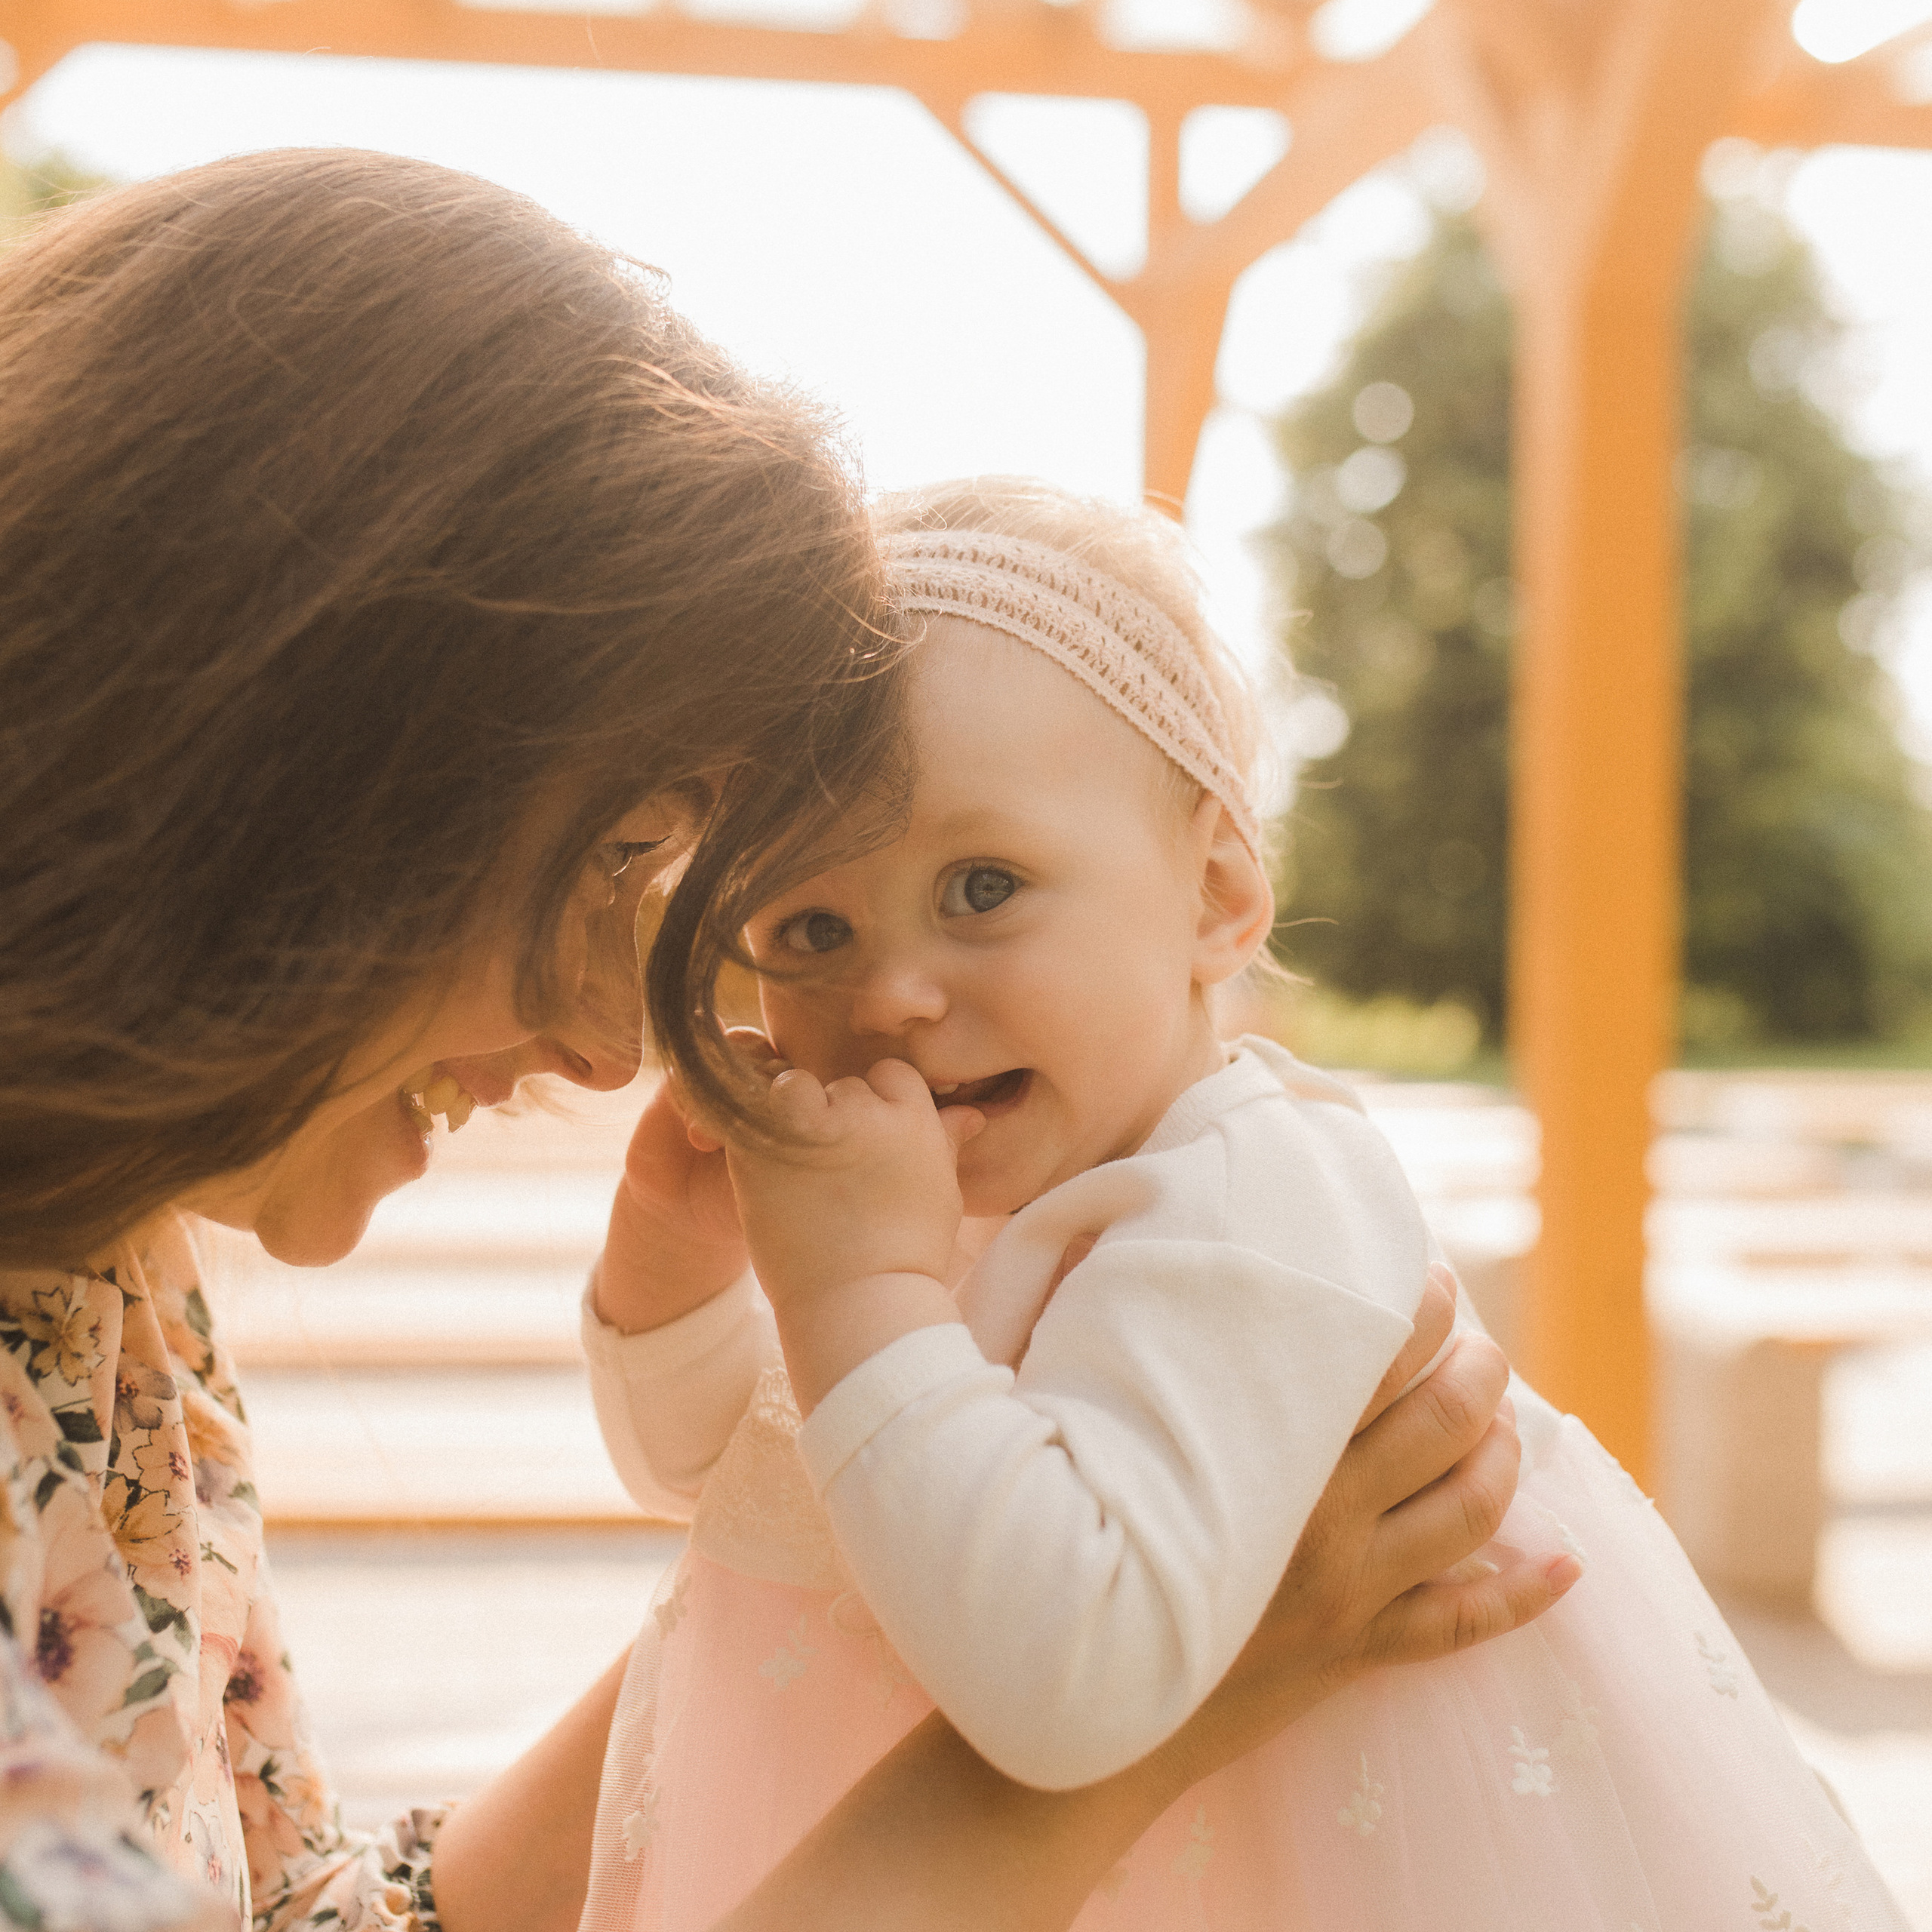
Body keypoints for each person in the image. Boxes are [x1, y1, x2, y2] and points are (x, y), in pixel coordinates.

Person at [0, 152, 1562, 1932]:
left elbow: (308, 1912)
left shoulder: (95, 1270)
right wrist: (1140, 1709)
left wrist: (874, 1423)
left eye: (982, 885)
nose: (616, 1041)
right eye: (618, 859)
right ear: (290, 780)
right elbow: (776, 1485)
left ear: (1217, 893)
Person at [580, 477, 1908, 1932]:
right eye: (809, 929)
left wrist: (852, 1301)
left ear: (1216, 894)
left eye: (981, 886)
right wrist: (684, 1274)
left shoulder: (1251, 1201)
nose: (892, 995)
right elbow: (741, 1487)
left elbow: (1069, 1686)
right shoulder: (944, 1212)